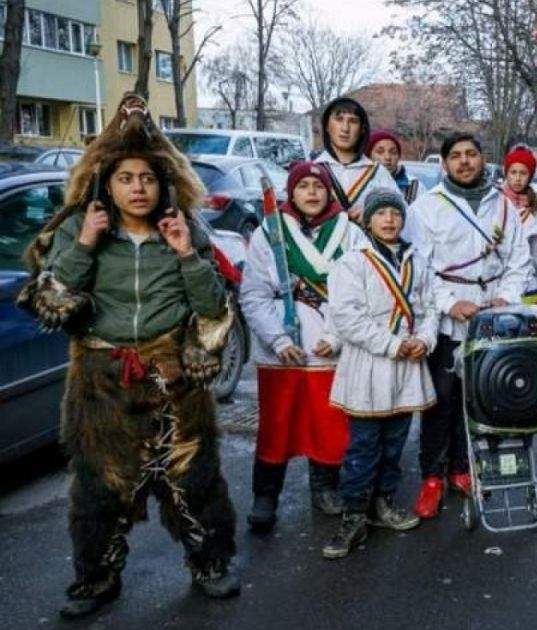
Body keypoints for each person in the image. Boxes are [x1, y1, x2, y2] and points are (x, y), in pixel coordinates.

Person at [21, 94, 240, 618]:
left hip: (174, 378)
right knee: (101, 486)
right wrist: (87, 244)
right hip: (102, 380)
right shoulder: (77, 229)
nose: (137, 187)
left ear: (163, 183)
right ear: (107, 183)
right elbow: (52, 299)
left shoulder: (185, 229)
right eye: (126, 178)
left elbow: (212, 307)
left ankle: (210, 564)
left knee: (194, 477)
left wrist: (186, 252)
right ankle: (97, 580)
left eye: (147, 177)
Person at [406, 133, 532, 519]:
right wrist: (449, 303)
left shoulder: (504, 207)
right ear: (444, 163)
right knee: (440, 399)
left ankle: (463, 467)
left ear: (483, 159)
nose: (464, 161)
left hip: (491, 316)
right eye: (456, 156)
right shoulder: (426, 207)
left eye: (471, 154)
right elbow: (419, 267)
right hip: (446, 318)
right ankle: (432, 476)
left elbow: (519, 260)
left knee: (477, 397)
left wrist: (504, 301)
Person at [241, 161, 369, 532]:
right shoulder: (272, 232)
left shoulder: (350, 232)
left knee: (330, 424)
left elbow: (361, 294)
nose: (311, 193)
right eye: (303, 186)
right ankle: (265, 495)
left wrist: (337, 337)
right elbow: (253, 295)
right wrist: (278, 339)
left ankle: (325, 487)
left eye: (318, 185)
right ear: (291, 193)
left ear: (329, 192)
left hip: (331, 350)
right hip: (284, 354)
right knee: (276, 426)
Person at [322, 190, 438, 559]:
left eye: (395, 213)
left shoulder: (416, 260)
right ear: (367, 219)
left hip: (406, 365)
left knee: (394, 443)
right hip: (370, 365)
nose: (389, 219)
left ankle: (384, 503)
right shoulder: (352, 263)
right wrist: (392, 345)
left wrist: (425, 338)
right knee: (363, 447)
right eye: (381, 213)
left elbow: (429, 306)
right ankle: (354, 515)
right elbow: (347, 317)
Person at [313, 97, 402, 221]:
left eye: (353, 121)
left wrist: (373, 213)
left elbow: (402, 216)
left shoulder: (377, 173)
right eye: (339, 119)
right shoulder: (312, 171)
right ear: (327, 126)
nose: (345, 128)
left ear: (362, 129)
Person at [501, 145, 537, 304]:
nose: (518, 178)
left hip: (528, 283)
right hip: (500, 281)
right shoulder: (495, 202)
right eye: (513, 172)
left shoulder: (535, 208)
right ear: (506, 173)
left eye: (523, 173)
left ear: (530, 176)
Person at [367, 129, 421, 204]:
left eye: (393, 152)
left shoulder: (413, 185)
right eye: (380, 152)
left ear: (398, 157)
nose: (387, 157)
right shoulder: (359, 183)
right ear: (369, 156)